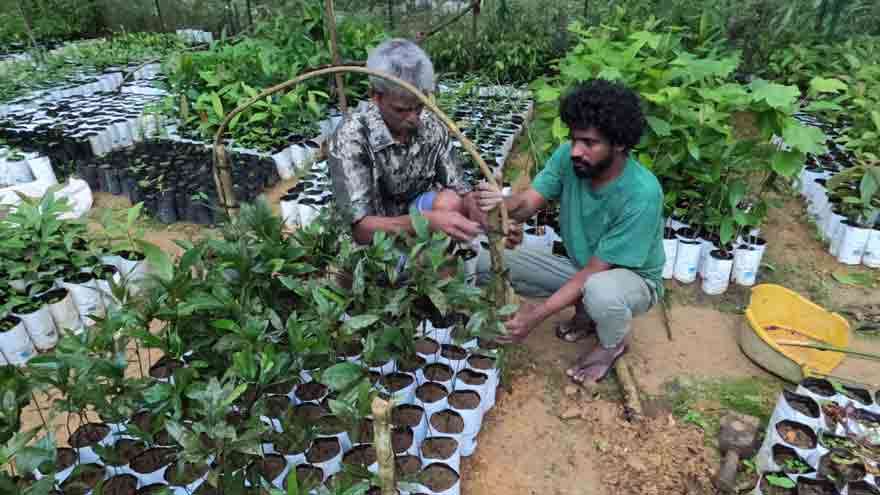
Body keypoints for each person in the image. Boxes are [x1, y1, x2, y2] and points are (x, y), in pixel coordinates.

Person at [476, 79, 665, 385]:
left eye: (589, 143)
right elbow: (527, 204)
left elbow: (596, 271)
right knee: (481, 259)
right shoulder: (568, 158)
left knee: (600, 291)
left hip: (631, 279)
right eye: (575, 139)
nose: (576, 151)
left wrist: (534, 317)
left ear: (618, 144)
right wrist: (500, 204)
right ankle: (585, 312)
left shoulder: (642, 193)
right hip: (580, 265)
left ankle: (612, 344)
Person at [329, 38, 484, 245]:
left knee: (451, 201)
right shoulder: (351, 136)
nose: (413, 118)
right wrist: (423, 223)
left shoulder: (429, 125)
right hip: (373, 238)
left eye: (419, 106)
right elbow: (360, 229)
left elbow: (458, 189)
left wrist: (477, 206)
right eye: (401, 110)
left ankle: (432, 266)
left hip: (417, 215)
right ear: (375, 96)